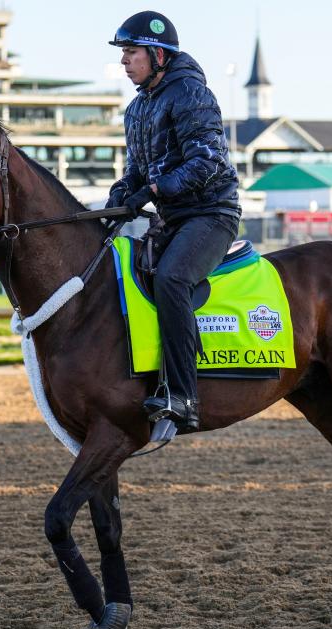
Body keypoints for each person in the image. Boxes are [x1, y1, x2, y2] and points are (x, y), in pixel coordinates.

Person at [106, 11, 241, 432]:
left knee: (172, 280)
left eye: (131, 53)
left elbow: (207, 160)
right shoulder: (136, 109)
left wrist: (157, 190)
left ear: (158, 54)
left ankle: (183, 396)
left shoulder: (191, 94)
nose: (124, 61)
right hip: (172, 219)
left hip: (211, 215)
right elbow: (137, 171)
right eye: (124, 54)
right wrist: (120, 194)